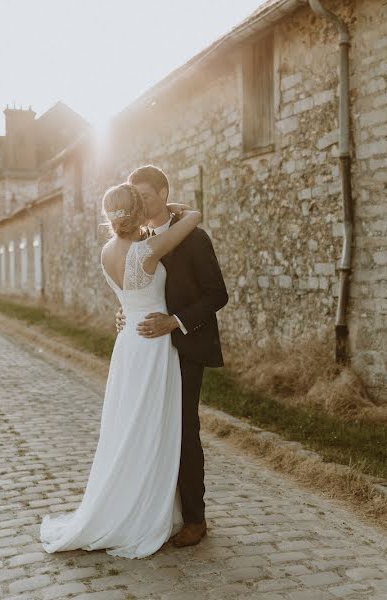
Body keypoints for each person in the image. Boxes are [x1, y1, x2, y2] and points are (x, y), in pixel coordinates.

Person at [39, 181, 202, 558]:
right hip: (153, 342)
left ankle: (128, 502)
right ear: (138, 211)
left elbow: (128, 297)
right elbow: (193, 217)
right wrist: (165, 206)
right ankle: (142, 513)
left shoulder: (106, 251)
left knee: (128, 425)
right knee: (150, 427)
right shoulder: (147, 249)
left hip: (129, 339)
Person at [116, 164, 228, 547]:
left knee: (183, 430)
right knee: (152, 429)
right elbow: (138, 287)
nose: (139, 204)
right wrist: (127, 313)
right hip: (148, 352)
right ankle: (161, 511)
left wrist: (175, 322)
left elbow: (217, 295)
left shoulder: (195, 239)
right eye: (134, 198)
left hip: (185, 345)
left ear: (164, 194)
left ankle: (196, 519)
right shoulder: (140, 240)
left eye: (145, 196)